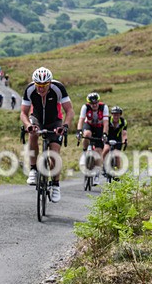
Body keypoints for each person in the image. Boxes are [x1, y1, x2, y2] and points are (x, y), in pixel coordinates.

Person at [21, 67, 74, 201]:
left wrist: (64, 126)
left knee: (54, 153)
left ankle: (55, 185)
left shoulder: (58, 88)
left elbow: (69, 110)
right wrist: (28, 126)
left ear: (49, 83)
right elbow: (23, 113)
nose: (41, 88)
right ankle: (33, 169)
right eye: (38, 85)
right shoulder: (29, 89)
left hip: (54, 121)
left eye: (44, 85)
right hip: (37, 118)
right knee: (33, 134)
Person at [76, 92, 110, 185]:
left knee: (99, 152)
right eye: (92, 103)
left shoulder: (104, 107)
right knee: (87, 134)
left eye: (96, 103)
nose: (94, 105)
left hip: (99, 127)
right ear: (89, 103)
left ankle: (96, 175)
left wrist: (104, 134)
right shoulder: (85, 107)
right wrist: (79, 131)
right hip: (89, 125)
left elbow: (106, 123)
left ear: (98, 102)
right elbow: (81, 120)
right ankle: (84, 153)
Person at [105, 105, 128, 177]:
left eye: (117, 115)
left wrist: (125, 140)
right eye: (114, 114)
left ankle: (117, 173)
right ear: (112, 114)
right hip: (108, 137)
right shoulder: (108, 120)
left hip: (117, 139)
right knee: (106, 149)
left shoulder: (123, 122)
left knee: (117, 155)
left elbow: (124, 133)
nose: (116, 116)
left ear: (120, 115)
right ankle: (103, 166)